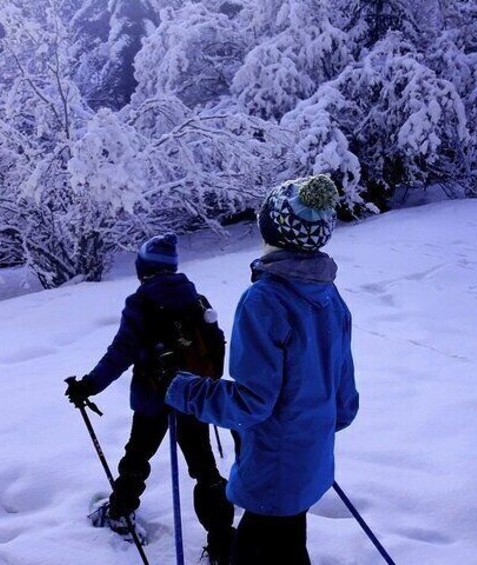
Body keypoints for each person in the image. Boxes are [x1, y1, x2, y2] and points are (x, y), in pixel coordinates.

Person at [158, 174, 360, 564]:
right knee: (287, 549)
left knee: (259, 551)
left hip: (274, 472)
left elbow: (252, 404)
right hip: (308, 463)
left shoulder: (264, 300)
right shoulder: (328, 294)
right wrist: (307, 430)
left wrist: (179, 386)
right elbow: (345, 404)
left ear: (272, 229)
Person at [65, 233, 234, 565]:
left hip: (152, 400)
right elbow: (215, 344)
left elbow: (120, 353)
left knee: (136, 458)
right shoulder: (195, 298)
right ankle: (223, 543)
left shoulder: (140, 303)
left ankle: (120, 512)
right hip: (194, 397)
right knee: (204, 469)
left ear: (144, 269)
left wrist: (89, 385)